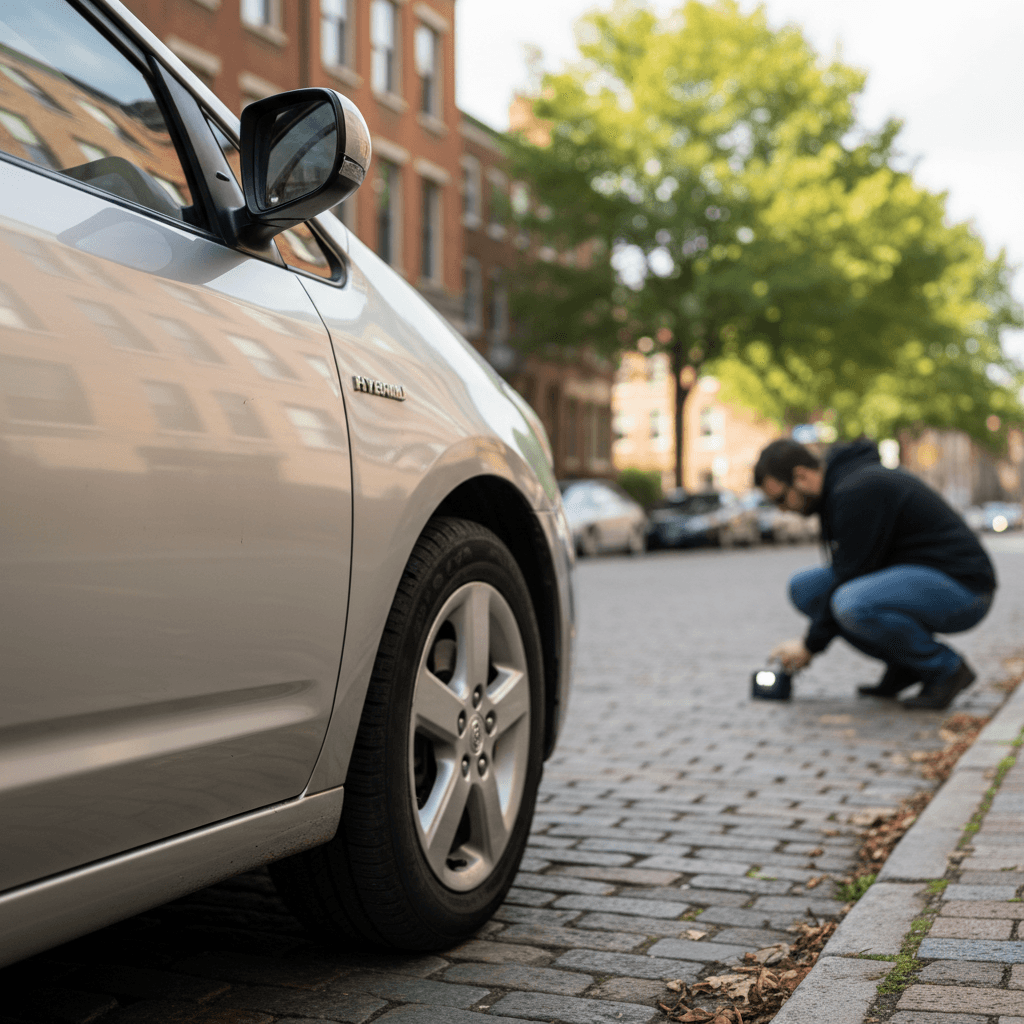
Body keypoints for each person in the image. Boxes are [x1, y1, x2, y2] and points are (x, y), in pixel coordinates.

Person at [754, 438, 996, 709]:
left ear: (801, 476)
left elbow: (850, 576)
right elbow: (850, 571)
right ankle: (907, 665)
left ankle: (945, 668)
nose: (782, 510)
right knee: (805, 589)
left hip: (964, 589)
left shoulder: (856, 489)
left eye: (780, 499)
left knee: (851, 602)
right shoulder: (842, 487)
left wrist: (809, 646)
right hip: (918, 577)